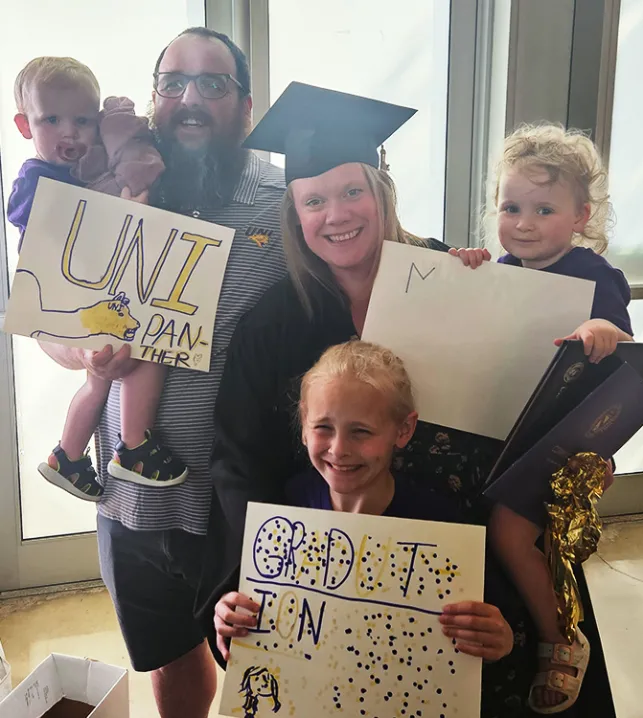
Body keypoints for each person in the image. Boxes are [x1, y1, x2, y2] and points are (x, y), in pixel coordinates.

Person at [198, 82, 534, 716]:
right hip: (318, 566)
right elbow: (236, 460)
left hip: (450, 556)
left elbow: (512, 408)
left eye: (353, 191)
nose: (337, 214)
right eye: (314, 200)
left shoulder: (448, 277)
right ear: (294, 214)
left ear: (382, 193)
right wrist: (245, 584)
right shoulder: (271, 322)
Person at [38, 28, 286, 718]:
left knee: (265, 665)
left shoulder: (286, 200)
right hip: (130, 497)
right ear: (153, 99)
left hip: (235, 494)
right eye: (173, 81)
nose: (191, 99)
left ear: (244, 105)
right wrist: (82, 355)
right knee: (169, 660)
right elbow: (48, 323)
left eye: (213, 83)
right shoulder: (106, 187)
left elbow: (369, 254)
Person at [214, 340, 515, 705]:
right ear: (304, 425)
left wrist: (500, 639)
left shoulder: (443, 526)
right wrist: (230, 614)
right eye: (323, 427)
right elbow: (252, 613)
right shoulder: (284, 511)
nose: (339, 449)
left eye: (361, 432)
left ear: (403, 430)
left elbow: (492, 637)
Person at [484, 123, 632, 713]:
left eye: (544, 209)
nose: (523, 222)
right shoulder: (502, 268)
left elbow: (626, 348)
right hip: (511, 430)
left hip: (563, 438)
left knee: (511, 530)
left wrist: (602, 331)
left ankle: (562, 640)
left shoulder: (594, 277)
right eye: (510, 206)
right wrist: (468, 268)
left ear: (580, 215)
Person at [8, 56, 186, 502]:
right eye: (51, 119)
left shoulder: (87, 172)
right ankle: (134, 447)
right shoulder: (38, 177)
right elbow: (32, 223)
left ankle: (67, 456)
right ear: (24, 126)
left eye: (83, 120)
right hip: (69, 293)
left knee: (100, 377)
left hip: (93, 290)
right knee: (147, 350)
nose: (69, 132)